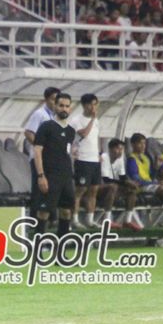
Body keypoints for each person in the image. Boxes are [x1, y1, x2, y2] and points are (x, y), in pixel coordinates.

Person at [33, 93, 76, 241]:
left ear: (70, 108)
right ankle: (37, 249)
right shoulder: (47, 127)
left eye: (67, 106)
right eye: (61, 105)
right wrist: (41, 175)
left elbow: (67, 153)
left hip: (66, 177)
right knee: (44, 211)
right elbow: (37, 151)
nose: (64, 108)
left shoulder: (71, 131)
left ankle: (60, 252)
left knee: (66, 212)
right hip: (50, 176)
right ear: (55, 107)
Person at [24, 86, 60, 217]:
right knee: (39, 188)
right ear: (46, 99)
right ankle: (35, 219)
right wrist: (41, 147)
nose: (54, 102)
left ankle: (50, 217)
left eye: (57, 100)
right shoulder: (40, 114)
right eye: (52, 99)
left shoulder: (55, 116)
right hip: (38, 158)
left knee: (51, 188)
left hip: (51, 159)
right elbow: (28, 133)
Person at [69, 93, 102, 229]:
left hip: (94, 160)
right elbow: (83, 133)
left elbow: (96, 138)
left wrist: (99, 154)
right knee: (80, 190)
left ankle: (90, 219)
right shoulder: (76, 120)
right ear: (84, 105)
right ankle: (74, 219)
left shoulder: (97, 122)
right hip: (83, 159)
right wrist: (92, 119)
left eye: (95, 104)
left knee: (93, 190)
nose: (93, 107)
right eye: (90, 104)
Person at [99, 138, 143, 230]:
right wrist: (126, 182)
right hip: (99, 187)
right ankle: (107, 220)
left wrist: (130, 183)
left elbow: (122, 177)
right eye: (118, 149)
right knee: (113, 187)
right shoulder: (104, 157)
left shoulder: (120, 159)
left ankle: (127, 220)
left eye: (122, 149)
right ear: (110, 149)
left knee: (131, 190)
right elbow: (105, 179)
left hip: (113, 189)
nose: (120, 151)